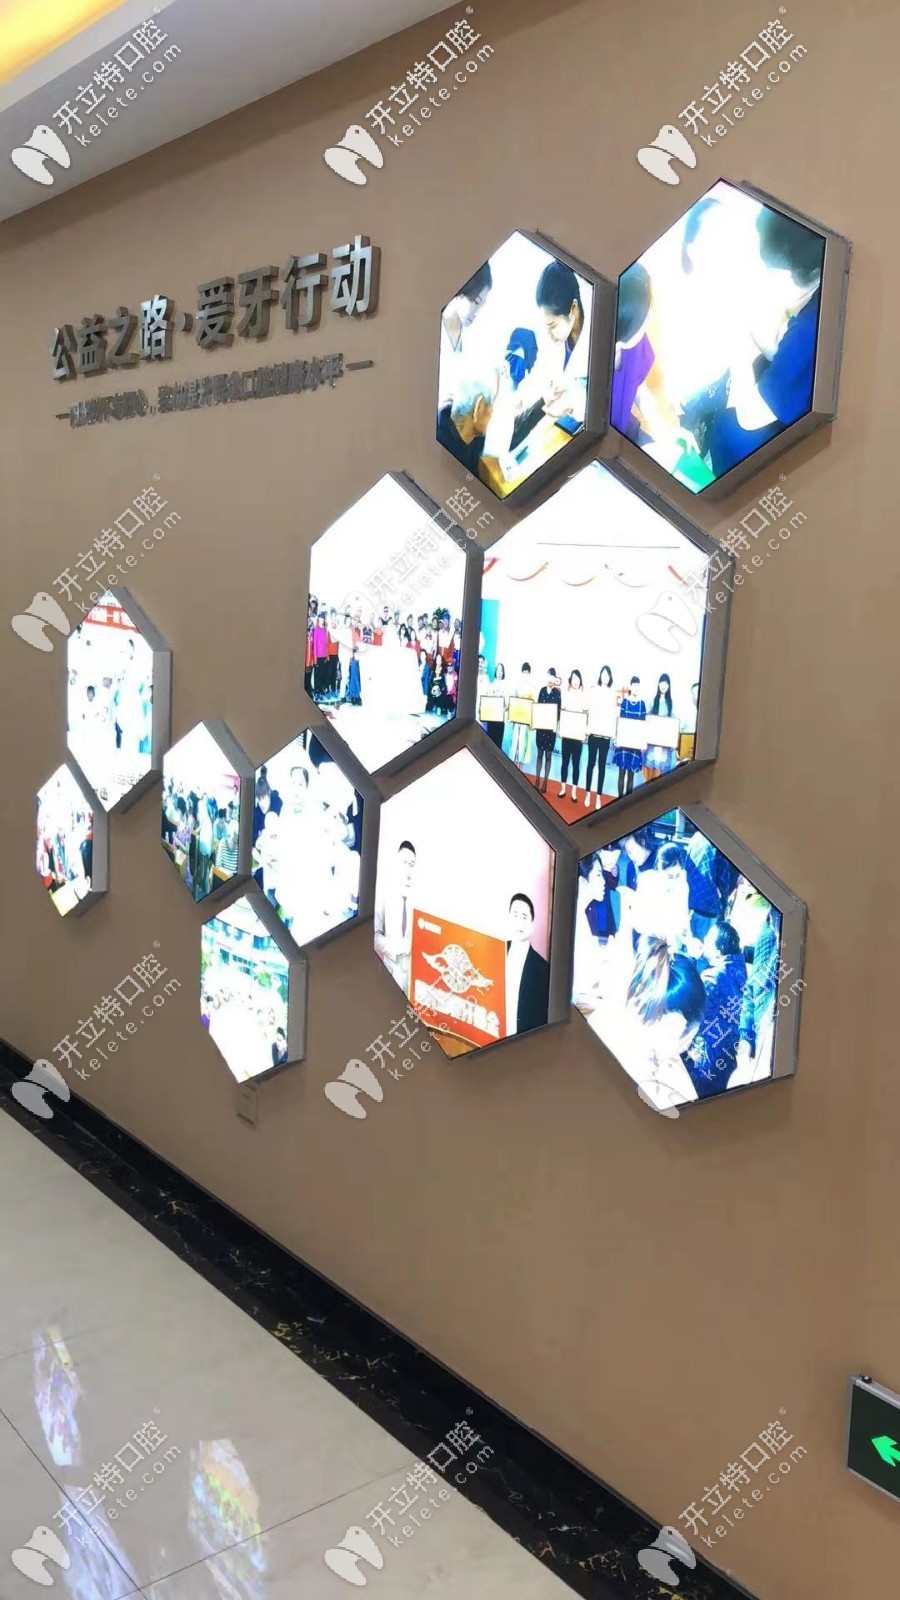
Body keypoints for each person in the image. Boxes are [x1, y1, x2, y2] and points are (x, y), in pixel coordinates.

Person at [708, 207, 824, 478]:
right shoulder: (818, 299)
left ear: (785, 275)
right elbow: (786, 360)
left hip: (795, 443)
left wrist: (737, 352)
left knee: (727, 431)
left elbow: (751, 417)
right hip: (799, 399)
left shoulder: (809, 327)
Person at [686, 922, 747, 1097]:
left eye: (708, 938)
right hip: (730, 1054)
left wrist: (691, 959)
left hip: (707, 1059)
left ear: (719, 951)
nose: (704, 939)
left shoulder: (712, 977)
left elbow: (689, 1005)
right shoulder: (740, 969)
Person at [534, 260, 589, 424]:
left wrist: (572, 406)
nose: (549, 335)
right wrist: (548, 391)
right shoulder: (556, 337)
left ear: (573, 309)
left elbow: (606, 400)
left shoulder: (595, 339)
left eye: (553, 326)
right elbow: (544, 371)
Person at [439, 261, 493, 408]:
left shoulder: (470, 338)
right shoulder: (434, 331)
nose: (477, 312)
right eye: (476, 302)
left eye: (481, 306)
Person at [374, 840, 417, 994]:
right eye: (404, 862)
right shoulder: (384, 897)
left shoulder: (418, 901)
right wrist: (394, 947)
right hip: (390, 972)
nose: (408, 869)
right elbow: (374, 935)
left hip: (413, 979)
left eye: (411, 864)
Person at [505, 893, 550, 1036]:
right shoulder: (496, 952)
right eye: (515, 915)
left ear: (532, 923)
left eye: (524, 917)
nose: (519, 922)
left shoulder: (543, 969)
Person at [585, 665, 615, 811]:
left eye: (607, 675)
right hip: (593, 734)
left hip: (605, 736)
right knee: (590, 763)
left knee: (602, 766)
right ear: (600, 676)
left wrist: (613, 734)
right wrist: (587, 730)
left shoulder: (612, 694)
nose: (605, 677)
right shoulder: (594, 691)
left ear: (610, 677)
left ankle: (598, 797)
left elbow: (612, 716)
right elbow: (590, 711)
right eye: (603, 674)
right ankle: (587, 794)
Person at [613, 676, 647, 798]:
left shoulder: (642, 704)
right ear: (630, 687)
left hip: (635, 745)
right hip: (624, 743)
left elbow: (644, 726)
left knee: (631, 775)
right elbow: (621, 722)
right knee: (621, 772)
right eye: (634, 685)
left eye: (638, 685)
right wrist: (618, 738)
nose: (636, 687)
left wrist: (642, 742)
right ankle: (619, 801)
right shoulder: (625, 703)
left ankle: (627, 802)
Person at [558, 668, 586, 802]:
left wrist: (584, 733)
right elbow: (562, 713)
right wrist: (560, 730)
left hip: (578, 736)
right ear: (570, 680)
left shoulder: (583, 696)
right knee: (564, 762)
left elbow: (585, 716)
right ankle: (563, 789)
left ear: (580, 681)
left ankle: (574, 792)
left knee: (576, 764)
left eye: (577, 678)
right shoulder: (566, 694)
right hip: (566, 735)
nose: (575, 681)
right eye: (573, 678)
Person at [643, 672, 677, 782]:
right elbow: (646, 720)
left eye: (666, 684)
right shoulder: (652, 702)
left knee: (659, 773)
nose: (663, 686)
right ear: (658, 684)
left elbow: (674, 725)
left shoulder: (671, 704)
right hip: (652, 744)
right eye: (662, 683)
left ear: (669, 686)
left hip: (664, 744)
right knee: (648, 771)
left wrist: (673, 741)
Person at [534, 669, 561, 795]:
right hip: (541, 728)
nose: (551, 679)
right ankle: (537, 780)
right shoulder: (542, 691)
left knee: (548, 756)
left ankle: (545, 781)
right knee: (539, 755)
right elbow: (538, 708)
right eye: (549, 676)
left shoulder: (557, 693)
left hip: (551, 730)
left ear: (555, 679)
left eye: (553, 677)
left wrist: (556, 726)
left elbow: (559, 712)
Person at [511, 662, 534, 770]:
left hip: (525, 722)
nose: (525, 674)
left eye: (527, 672)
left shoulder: (532, 688)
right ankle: (514, 769)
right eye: (524, 672)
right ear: (521, 672)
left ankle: (521, 770)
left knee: (523, 747)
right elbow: (513, 702)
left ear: (529, 674)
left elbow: (533, 705)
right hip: (517, 721)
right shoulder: (517, 686)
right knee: (515, 745)